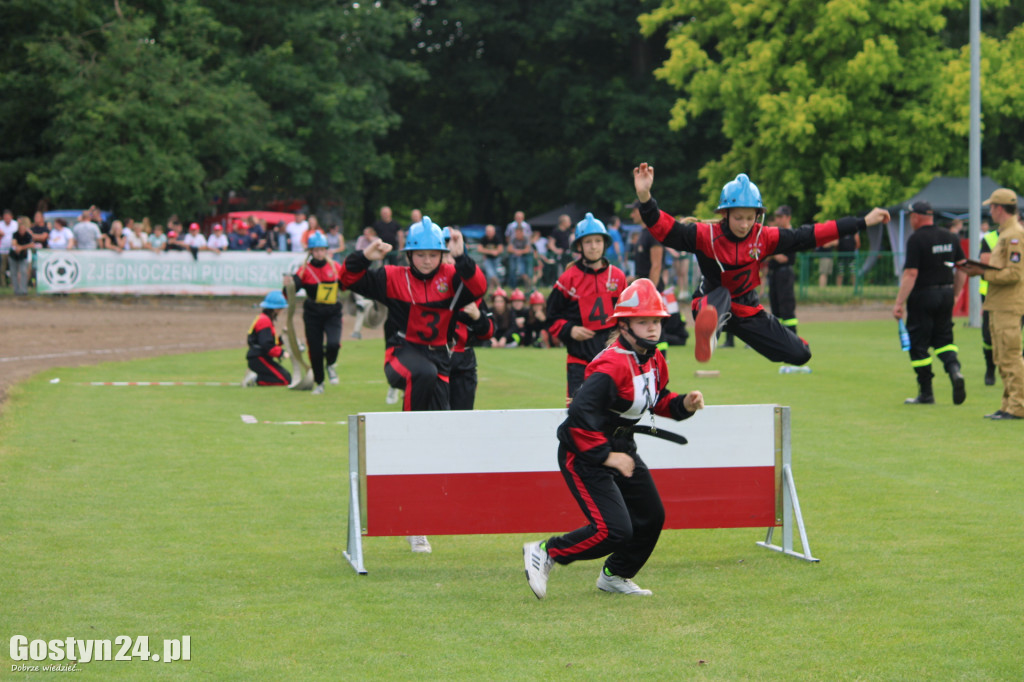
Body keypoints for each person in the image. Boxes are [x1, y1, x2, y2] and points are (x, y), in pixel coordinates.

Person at [522, 278, 705, 600]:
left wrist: (683, 405)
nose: (652, 329)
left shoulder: (654, 358)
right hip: (583, 453)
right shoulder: (612, 364)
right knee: (614, 530)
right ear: (623, 326)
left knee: (651, 517)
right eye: (643, 321)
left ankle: (615, 575)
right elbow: (577, 418)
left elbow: (656, 399)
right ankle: (546, 551)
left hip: (622, 449)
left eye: (655, 322)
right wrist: (607, 457)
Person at [632, 162, 891, 365]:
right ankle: (708, 335)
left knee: (801, 354)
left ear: (758, 216)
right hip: (711, 303)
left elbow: (811, 234)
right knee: (720, 294)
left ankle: (727, 333)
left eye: (750, 218)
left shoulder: (764, 237)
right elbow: (665, 229)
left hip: (747, 310)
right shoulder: (704, 236)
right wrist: (645, 197)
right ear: (725, 214)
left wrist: (862, 222)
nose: (745, 224)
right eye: (739, 218)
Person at [339, 217, 487, 554]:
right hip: (400, 357)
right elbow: (346, 279)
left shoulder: (452, 277)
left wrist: (462, 257)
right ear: (409, 255)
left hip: (441, 364)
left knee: (436, 446)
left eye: (433, 254)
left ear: (441, 254)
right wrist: (365, 256)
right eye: (419, 254)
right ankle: (405, 435)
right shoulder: (392, 277)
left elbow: (479, 289)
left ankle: (416, 523)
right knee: (422, 380)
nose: (426, 260)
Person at [547, 213, 628, 402]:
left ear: (604, 243)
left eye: (598, 241)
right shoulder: (568, 279)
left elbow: (627, 317)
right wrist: (570, 329)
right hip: (579, 361)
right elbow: (551, 316)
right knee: (578, 419)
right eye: (588, 242)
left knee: (613, 416)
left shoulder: (618, 277)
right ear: (579, 246)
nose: (593, 246)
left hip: (612, 361)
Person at [892, 201, 967, 405]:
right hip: (945, 294)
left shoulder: (916, 239)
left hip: (923, 296)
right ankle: (954, 370)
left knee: (918, 345)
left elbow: (911, 273)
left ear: (916, 216)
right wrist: (956, 294)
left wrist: (899, 302)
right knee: (944, 340)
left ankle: (926, 392)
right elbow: (962, 267)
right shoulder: (950, 236)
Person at [959, 187, 1024, 420]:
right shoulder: (1004, 234)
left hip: (1008, 304)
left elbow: (1014, 274)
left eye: (991, 208)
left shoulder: (1014, 235)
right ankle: (1007, 404)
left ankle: (1018, 406)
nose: (990, 212)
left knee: (1011, 356)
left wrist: (982, 273)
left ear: (998, 208)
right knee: (1001, 357)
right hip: (998, 304)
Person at [286, 232, 344, 395]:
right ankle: (319, 382)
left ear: (326, 250)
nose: (319, 253)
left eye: (322, 250)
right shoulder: (304, 271)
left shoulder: (335, 267)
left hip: (333, 312)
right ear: (310, 251)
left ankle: (331, 364)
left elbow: (347, 284)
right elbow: (290, 291)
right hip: (313, 314)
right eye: (316, 250)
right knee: (315, 350)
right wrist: (288, 285)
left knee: (333, 344)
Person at [243, 291, 292, 387]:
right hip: (259, 358)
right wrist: (282, 353)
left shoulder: (264, 319)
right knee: (284, 380)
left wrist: (283, 338)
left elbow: (270, 341)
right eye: (281, 308)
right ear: (275, 309)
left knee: (287, 378)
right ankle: (255, 378)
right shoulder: (264, 321)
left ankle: (255, 376)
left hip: (260, 357)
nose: (282, 311)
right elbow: (266, 344)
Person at [767, 205, 799, 333]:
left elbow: (784, 259)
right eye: (777, 217)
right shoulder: (776, 233)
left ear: (788, 218)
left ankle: (792, 335)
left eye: (781, 217)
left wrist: (771, 253)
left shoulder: (792, 234)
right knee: (775, 308)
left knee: (786, 307)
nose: (778, 220)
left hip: (784, 274)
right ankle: (779, 336)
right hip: (774, 274)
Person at [629, 200, 664, 288]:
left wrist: (650, 293)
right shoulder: (644, 232)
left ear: (643, 211)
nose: (631, 215)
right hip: (643, 288)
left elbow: (656, 266)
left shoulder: (653, 233)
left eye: (634, 211)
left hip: (651, 290)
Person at [9, 216, 37, 295]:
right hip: (13, 256)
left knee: (23, 272)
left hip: (23, 256)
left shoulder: (28, 235)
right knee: (14, 273)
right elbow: (14, 244)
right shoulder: (15, 234)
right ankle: (16, 290)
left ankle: (24, 290)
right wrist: (20, 247)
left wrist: (21, 247)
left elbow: (31, 244)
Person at [475, 223, 505, 288]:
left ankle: (491, 291)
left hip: (496, 259)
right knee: (491, 274)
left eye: (490, 231)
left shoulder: (497, 238)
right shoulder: (484, 238)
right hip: (488, 259)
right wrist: (491, 252)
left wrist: (488, 251)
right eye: (487, 231)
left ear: (494, 232)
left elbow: (500, 249)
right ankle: (499, 287)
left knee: (494, 274)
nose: (488, 233)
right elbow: (479, 249)